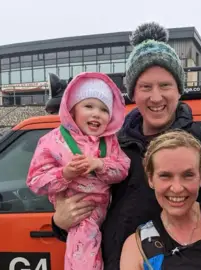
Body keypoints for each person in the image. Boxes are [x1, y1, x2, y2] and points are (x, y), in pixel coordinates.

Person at [51, 21, 201, 269]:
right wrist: (59, 223)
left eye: (165, 85)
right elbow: (85, 209)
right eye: (145, 87)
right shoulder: (109, 146)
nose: (156, 97)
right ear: (133, 93)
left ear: (179, 90)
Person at [26, 72, 131, 270]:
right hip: (77, 208)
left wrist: (100, 165)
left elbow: (123, 169)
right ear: (71, 110)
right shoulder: (51, 141)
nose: (96, 113)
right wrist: (65, 174)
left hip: (105, 209)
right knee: (83, 243)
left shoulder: (110, 141)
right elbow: (35, 181)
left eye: (103, 109)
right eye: (88, 106)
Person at [120, 130, 201, 270]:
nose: (177, 188)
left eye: (188, 175)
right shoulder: (138, 247)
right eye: (165, 176)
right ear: (150, 179)